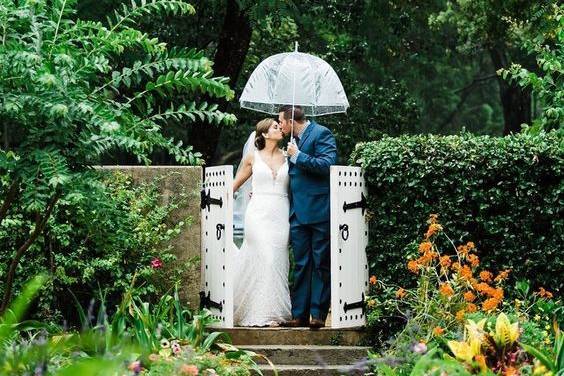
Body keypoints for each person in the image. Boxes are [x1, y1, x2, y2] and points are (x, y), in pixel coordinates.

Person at [278, 105, 337, 329]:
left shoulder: (321, 133)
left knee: (321, 263)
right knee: (301, 264)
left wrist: (299, 156)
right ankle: (299, 314)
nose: (280, 126)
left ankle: (318, 314)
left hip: (319, 209)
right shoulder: (292, 142)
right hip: (298, 213)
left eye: (281, 121)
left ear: (291, 121)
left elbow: (327, 164)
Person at [231, 118, 292, 326]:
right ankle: (263, 313)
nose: (280, 128)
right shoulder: (252, 158)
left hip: (281, 214)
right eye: (275, 127)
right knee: (265, 257)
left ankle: (274, 310)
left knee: (276, 259)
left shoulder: (287, 157)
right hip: (257, 214)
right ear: (264, 134)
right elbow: (235, 185)